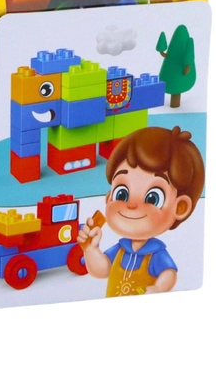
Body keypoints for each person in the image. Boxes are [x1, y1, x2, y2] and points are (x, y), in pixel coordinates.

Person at [77, 125, 204, 296]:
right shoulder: (121, 249)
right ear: (109, 198)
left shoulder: (156, 254)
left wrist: (158, 288)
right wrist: (91, 250)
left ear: (180, 207)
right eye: (121, 193)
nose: (132, 204)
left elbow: (169, 273)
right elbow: (103, 270)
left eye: (152, 198)